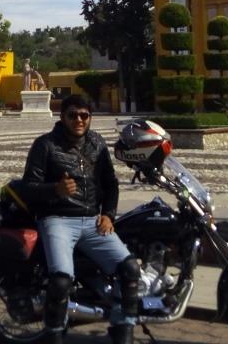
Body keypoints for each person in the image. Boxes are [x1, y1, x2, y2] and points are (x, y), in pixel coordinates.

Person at [20, 94, 140, 344]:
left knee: (129, 269)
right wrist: (56, 190)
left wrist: (108, 214)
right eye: (73, 115)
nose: (79, 120)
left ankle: (123, 328)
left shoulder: (96, 143)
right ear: (62, 117)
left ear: (90, 118)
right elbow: (28, 187)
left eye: (84, 115)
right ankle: (53, 334)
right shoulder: (45, 145)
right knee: (61, 279)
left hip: (92, 221)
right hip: (57, 219)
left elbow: (111, 184)